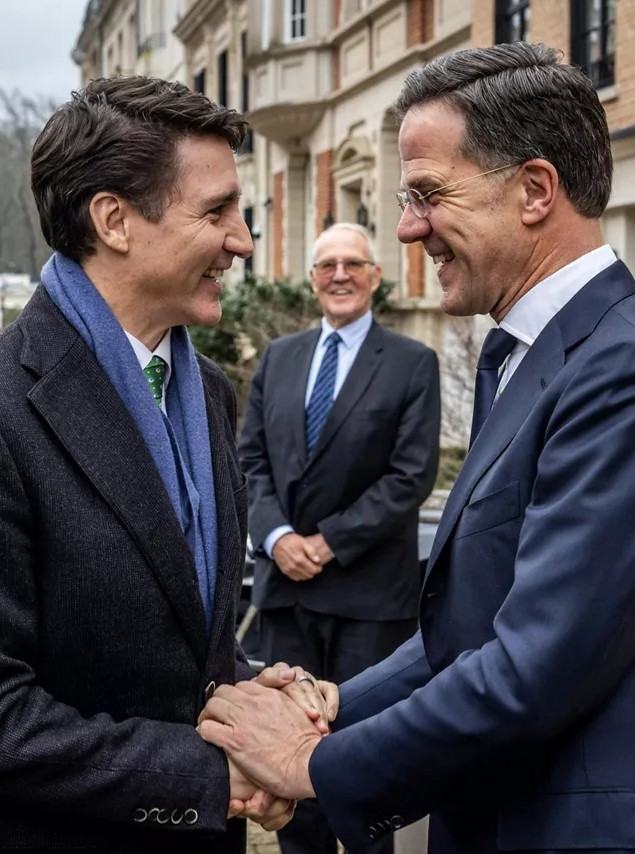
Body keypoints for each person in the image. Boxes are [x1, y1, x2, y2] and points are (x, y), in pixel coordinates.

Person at [198, 43, 635, 854]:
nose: (406, 228)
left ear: (535, 190)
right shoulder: (534, 357)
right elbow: (468, 635)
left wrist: (312, 762)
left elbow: (535, 669)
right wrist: (332, 702)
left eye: (429, 195)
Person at [0, 76, 330, 853]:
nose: (244, 241)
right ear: (114, 220)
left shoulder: (211, 394)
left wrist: (260, 695)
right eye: (217, 211)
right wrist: (208, 776)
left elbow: (174, 643)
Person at [238, 222, 440, 854]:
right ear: (312, 280)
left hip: (367, 598)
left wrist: (324, 544)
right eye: (327, 265)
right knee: (289, 767)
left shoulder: (413, 363)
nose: (341, 275)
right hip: (285, 599)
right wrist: (275, 537)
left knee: (360, 764)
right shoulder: (279, 357)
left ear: (377, 277)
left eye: (354, 263)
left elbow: (410, 477)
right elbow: (249, 464)